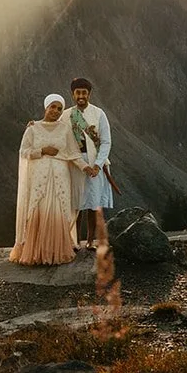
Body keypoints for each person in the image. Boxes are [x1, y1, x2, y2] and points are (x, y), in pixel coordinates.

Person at [9, 93, 87, 266]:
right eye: (53, 107)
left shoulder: (65, 129)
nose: (56, 111)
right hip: (39, 178)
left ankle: (55, 251)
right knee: (39, 209)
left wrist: (85, 167)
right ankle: (37, 252)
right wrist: (42, 151)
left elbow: (74, 153)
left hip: (60, 177)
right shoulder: (33, 128)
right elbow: (23, 152)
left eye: (60, 108)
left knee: (58, 210)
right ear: (46, 107)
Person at [68, 77, 113, 248]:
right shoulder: (67, 115)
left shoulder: (99, 113)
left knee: (93, 204)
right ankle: (75, 241)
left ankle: (90, 242)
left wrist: (97, 165)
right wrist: (34, 125)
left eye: (84, 93)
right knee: (77, 203)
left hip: (96, 163)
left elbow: (106, 141)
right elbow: (57, 134)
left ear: (89, 94)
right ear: (73, 94)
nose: (81, 96)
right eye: (78, 92)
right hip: (76, 163)